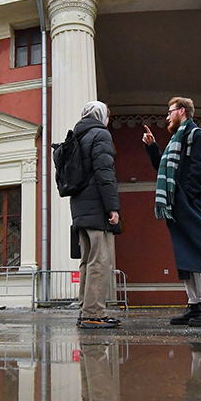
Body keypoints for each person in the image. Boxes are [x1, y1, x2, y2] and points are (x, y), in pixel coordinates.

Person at [143, 97, 201, 327]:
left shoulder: (196, 134)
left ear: (182, 111)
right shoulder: (176, 140)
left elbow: (199, 168)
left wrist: (188, 196)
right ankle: (196, 305)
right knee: (185, 252)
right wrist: (153, 148)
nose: (167, 117)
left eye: (170, 112)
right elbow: (164, 168)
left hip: (190, 202)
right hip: (177, 202)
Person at [69, 101, 123, 329]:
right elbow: (105, 173)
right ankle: (94, 313)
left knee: (87, 261)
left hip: (80, 209)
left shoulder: (77, 136)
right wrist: (113, 207)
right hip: (97, 208)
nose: (108, 122)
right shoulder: (100, 135)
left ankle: (85, 309)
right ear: (101, 116)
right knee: (100, 261)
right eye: (107, 117)